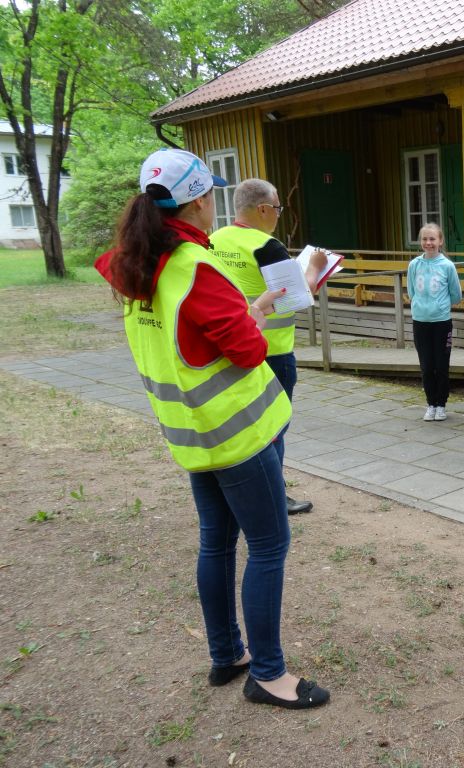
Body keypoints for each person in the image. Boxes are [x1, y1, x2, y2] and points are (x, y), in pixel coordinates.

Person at [95, 148, 329, 710]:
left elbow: (191, 336)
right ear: (199, 201)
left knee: (216, 542)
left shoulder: (137, 265)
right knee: (269, 545)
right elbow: (247, 352)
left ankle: (227, 655)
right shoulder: (194, 266)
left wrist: (250, 308)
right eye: (209, 196)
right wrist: (255, 316)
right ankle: (268, 674)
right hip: (237, 434)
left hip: (191, 433)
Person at [208, 178, 328, 516]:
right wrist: (315, 268)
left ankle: (242, 491)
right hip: (271, 353)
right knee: (274, 429)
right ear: (262, 209)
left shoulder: (213, 241)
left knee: (242, 427)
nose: (278, 214)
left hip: (229, 349)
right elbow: (296, 297)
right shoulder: (266, 245)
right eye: (277, 208)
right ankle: (274, 496)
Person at [407, 222, 462, 421]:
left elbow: (456, 295)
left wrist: (439, 306)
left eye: (432, 239)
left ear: (440, 241)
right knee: (426, 366)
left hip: (441, 323)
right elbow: (411, 291)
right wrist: (421, 306)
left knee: (441, 365)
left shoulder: (447, 266)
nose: (428, 243)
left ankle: (441, 405)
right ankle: (431, 404)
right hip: (420, 321)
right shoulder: (414, 265)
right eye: (424, 239)